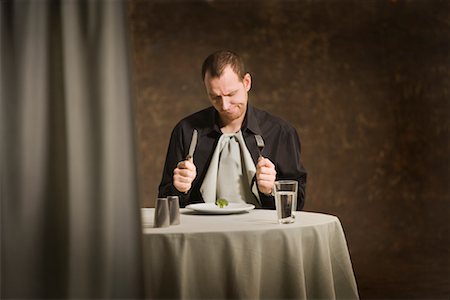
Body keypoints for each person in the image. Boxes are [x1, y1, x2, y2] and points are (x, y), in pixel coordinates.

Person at [158, 50, 307, 209]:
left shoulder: (281, 132)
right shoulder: (185, 131)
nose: (224, 106)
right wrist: (179, 190)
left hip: (262, 233)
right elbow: (165, 203)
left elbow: (297, 204)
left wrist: (271, 191)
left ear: (247, 82)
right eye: (215, 97)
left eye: (231, 94)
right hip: (202, 232)